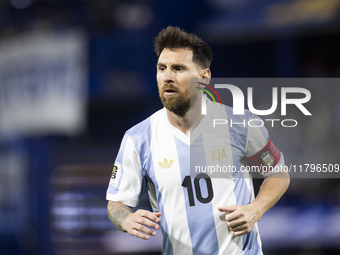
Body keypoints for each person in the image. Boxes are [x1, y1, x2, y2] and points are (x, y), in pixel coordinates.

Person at [106, 26, 290, 255]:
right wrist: (126, 220)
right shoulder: (137, 139)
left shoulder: (241, 123)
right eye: (161, 68)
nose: (167, 77)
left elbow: (278, 173)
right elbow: (116, 204)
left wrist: (256, 209)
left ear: (204, 78)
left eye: (178, 68)